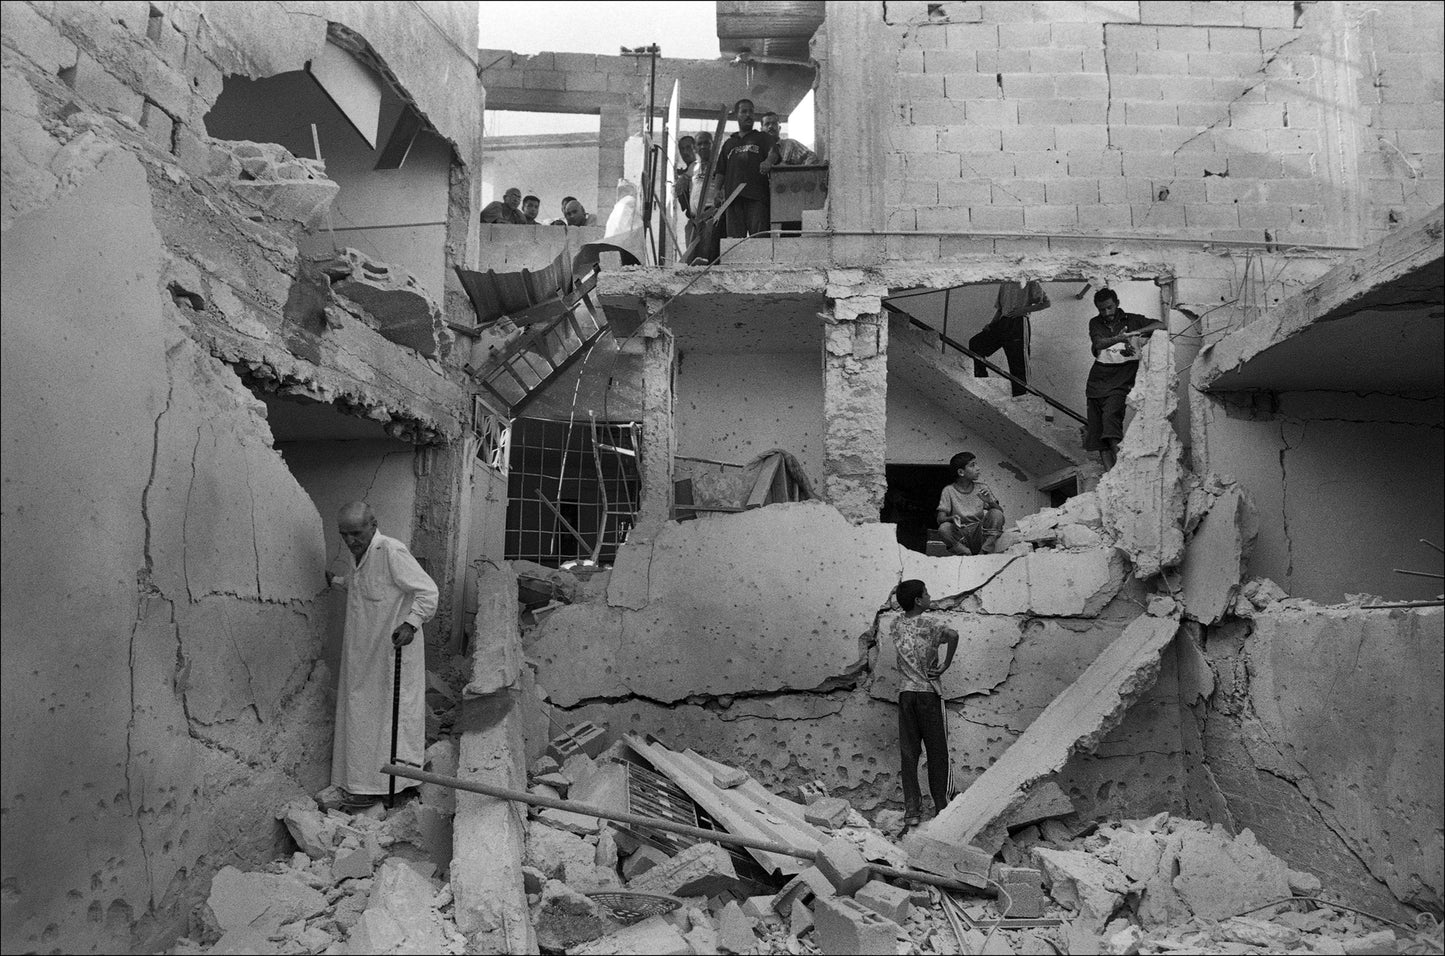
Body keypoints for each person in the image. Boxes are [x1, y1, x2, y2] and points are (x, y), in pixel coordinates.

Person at [325, 502, 438, 807]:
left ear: (373, 525)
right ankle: (361, 784)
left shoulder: (391, 551)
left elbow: (428, 591)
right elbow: (364, 585)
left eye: (356, 533)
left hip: (391, 651)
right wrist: (336, 582)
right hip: (362, 654)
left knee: (390, 719)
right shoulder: (359, 556)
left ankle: (396, 787)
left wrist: (412, 623)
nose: (350, 541)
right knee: (360, 718)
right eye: (344, 534)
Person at [890, 580, 958, 828]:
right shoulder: (931, 624)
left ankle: (912, 811)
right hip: (929, 694)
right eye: (926, 593)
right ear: (919, 600)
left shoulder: (895, 624)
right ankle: (942, 806)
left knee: (909, 754)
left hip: (906, 694)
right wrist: (945, 664)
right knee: (938, 751)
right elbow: (954, 635)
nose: (930, 596)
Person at [1085, 289, 1166, 470]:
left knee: (1110, 420)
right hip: (1097, 381)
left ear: (1117, 303)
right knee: (1097, 432)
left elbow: (1161, 325)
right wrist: (1119, 338)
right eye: (1102, 310)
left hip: (1122, 380)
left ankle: (1122, 469)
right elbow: (1098, 344)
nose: (1106, 313)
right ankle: (1109, 475)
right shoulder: (1095, 323)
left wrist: (1136, 332)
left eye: (1109, 307)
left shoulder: (1132, 319)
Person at [968, 281, 1051, 396]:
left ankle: (1021, 400)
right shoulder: (1004, 282)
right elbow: (1000, 310)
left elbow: (1046, 303)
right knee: (976, 343)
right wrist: (991, 324)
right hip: (1003, 321)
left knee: (1018, 366)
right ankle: (982, 382)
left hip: (1018, 323)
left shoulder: (1029, 280)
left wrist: (1022, 310)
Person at [711, 98, 773, 239]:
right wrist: (716, 191)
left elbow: (773, 152)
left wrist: (768, 161)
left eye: (751, 111)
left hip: (757, 196)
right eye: (744, 111)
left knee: (759, 239)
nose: (748, 115)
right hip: (733, 198)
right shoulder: (729, 143)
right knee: (734, 242)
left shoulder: (762, 137)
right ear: (736, 116)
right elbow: (721, 170)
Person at [936, 452, 1005, 556]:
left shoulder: (982, 488)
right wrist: (952, 518)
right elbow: (940, 519)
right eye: (972, 465)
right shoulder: (949, 490)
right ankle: (965, 552)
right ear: (961, 472)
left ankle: (985, 550)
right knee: (944, 528)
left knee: (996, 513)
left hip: (980, 534)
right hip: (960, 535)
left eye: (976, 464)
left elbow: (999, 513)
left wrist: (989, 501)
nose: (978, 468)